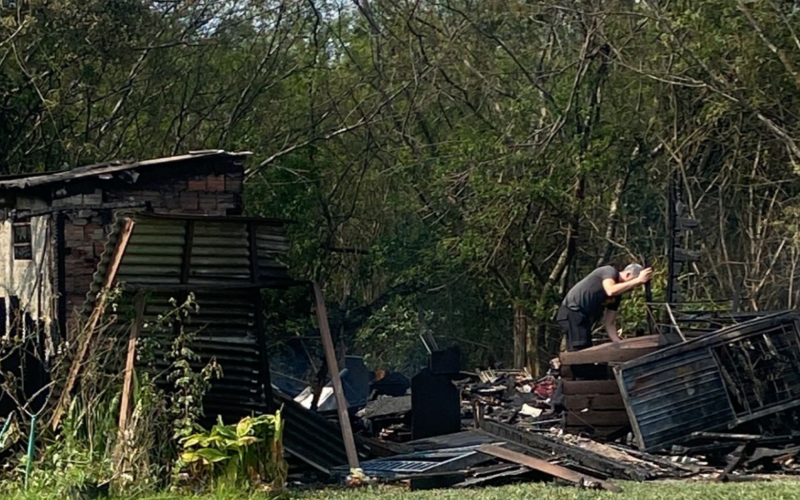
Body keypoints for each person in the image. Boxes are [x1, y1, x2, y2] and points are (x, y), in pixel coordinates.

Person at [557, 263, 652, 352]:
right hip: (572, 312)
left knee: (586, 348)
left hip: (583, 318)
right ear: (627, 275)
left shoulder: (617, 296)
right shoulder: (609, 271)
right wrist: (638, 280)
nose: (633, 287)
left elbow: (609, 322)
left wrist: (618, 343)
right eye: (635, 283)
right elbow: (610, 290)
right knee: (580, 349)